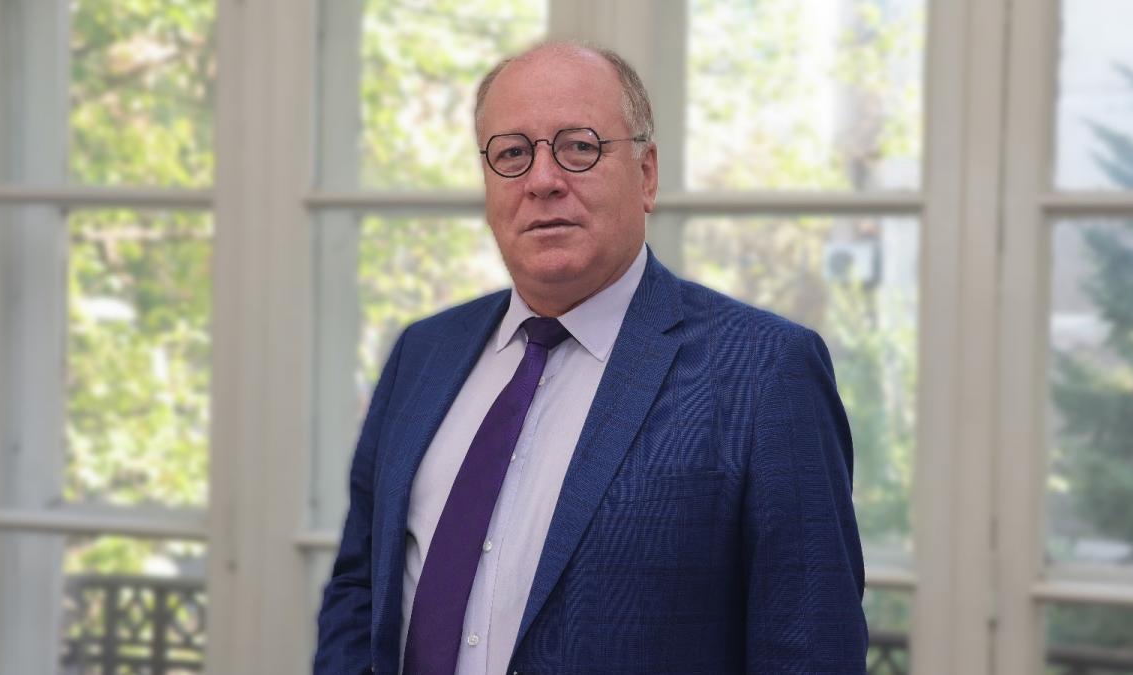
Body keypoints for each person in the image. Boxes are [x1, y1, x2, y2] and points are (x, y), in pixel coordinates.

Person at [314, 41, 867, 675]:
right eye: (512, 154)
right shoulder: (423, 354)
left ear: (647, 174)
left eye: (579, 147)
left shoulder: (765, 372)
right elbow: (361, 586)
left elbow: (810, 647)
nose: (543, 181)